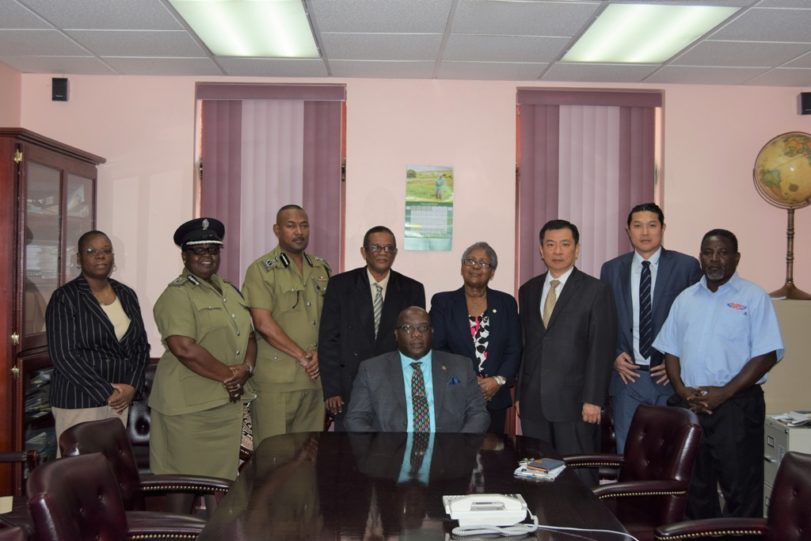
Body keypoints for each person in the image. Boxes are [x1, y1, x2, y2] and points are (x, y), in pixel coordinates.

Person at [653, 229, 783, 519]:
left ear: (736, 258)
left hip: (736, 406)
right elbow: (671, 350)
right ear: (700, 257)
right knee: (694, 488)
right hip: (691, 405)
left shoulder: (753, 297)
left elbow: (767, 355)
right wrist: (682, 390)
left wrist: (724, 393)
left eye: (723, 253)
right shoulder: (685, 298)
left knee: (741, 489)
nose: (715, 259)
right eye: (708, 253)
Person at [149, 217, 256, 511]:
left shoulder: (230, 291)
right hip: (188, 408)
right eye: (198, 250)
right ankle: (176, 531)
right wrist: (230, 377)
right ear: (184, 256)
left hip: (225, 405)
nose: (207, 256)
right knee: (182, 483)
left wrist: (246, 369)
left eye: (213, 249)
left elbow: (250, 335)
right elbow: (183, 348)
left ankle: (214, 532)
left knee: (220, 485)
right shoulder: (177, 295)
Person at [599, 203, 701, 453]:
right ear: (628, 231)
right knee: (628, 453)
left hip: (669, 378)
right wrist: (613, 355)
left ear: (663, 228)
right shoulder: (612, 269)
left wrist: (678, 362)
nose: (645, 232)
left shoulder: (686, 266)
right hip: (627, 378)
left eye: (652, 225)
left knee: (671, 455)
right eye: (637, 226)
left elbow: (697, 323)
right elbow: (604, 321)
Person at [516, 220, 616, 472]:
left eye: (564, 244)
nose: (557, 251)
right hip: (533, 402)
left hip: (576, 404)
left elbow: (601, 349)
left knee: (578, 473)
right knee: (539, 472)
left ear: (577, 249)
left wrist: (593, 399)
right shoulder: (528, 290)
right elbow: (526, 345)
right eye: (550, 244)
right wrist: (519, 395)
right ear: (541, 250)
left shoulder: (596, 290)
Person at [46, 230, 149, 453]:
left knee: (110, 464)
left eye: (106, 251)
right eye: (91, 251)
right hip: (79, 399)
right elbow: (64, 355)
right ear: (79, 258)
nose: (100, 256)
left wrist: (131, 386)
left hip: (120, 399)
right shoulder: (65, 297)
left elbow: (141, 346)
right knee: (79, 468)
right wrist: (105, 391)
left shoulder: (126, 294)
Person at [319, 225, 425, 430]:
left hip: (395, 387)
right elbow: (328, 339)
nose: (382, 252)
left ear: (395, 252)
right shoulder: (340, 285)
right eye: (376, 247)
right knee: (349, 446)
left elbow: (416, 345)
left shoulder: (412, 289)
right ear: (364, 252)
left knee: (392, 447)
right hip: (349, 387)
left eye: (388, 248)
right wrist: (332, 390)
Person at [242, 205, 330, 443]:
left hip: (314, 379)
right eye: (291, 226)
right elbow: (262, 323)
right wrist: (302, 356)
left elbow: (330, 321)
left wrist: (320, 354)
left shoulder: (321, 268)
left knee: (309, 455)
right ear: (277, 230)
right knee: (274, 455)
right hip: (277, 381)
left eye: (304, 225)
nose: (299, 231)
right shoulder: (261, 270)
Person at [344, 307, 490, 433]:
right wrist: (380, 447)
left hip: (448, 451)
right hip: (389, 452)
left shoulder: (460, 366)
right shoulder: (371, 370)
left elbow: (478, 414)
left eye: (423, 328)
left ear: (432, 332)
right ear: (396, 334)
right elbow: (356, 418)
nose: (416, 334)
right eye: (407, 328)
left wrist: (460, 445)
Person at [430, 242, 521, 434]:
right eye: (470, 261)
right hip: (454, 393)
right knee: (455, 450)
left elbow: (514, 348)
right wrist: (469, 379)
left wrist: (498, 380)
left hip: (494, 396)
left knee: (493, 450)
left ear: (492, 271)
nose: (475, 267)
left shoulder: (506, 303)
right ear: (462, 267)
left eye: (483, 263)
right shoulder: (443, 302)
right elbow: (438, 348)